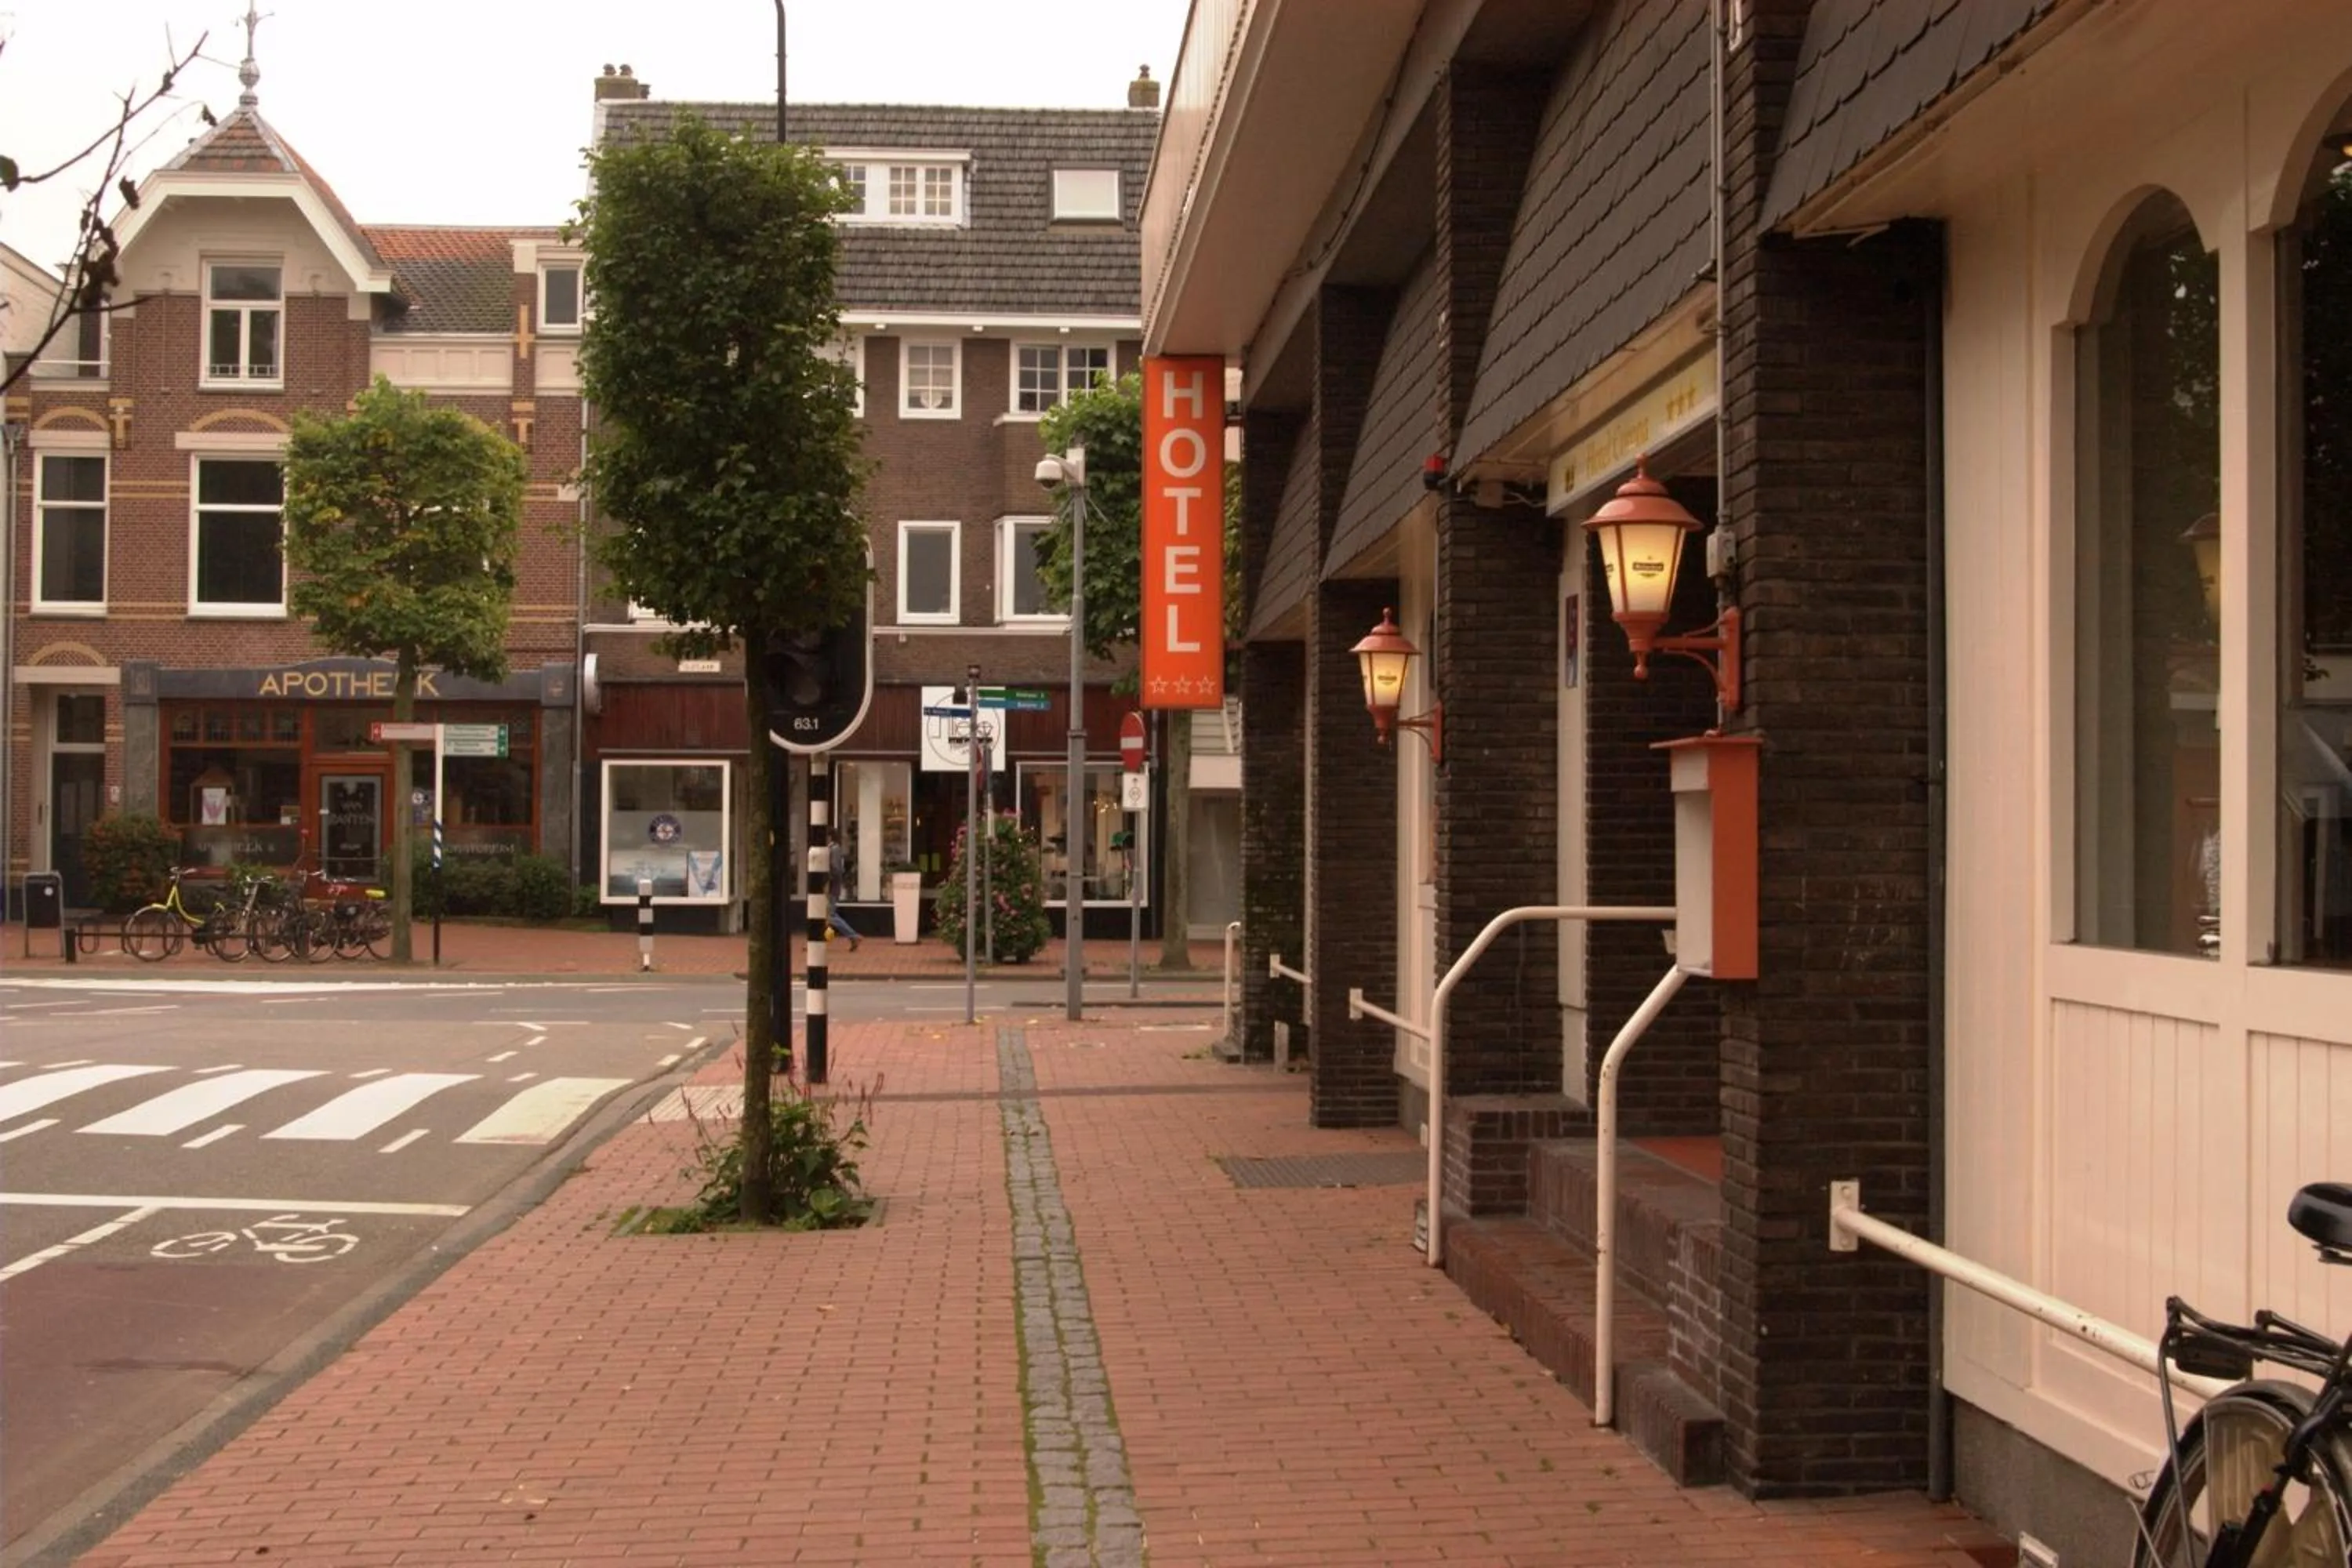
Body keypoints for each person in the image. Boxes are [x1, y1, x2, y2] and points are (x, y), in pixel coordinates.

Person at [826, 833, 860, 951]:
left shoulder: (834, 849)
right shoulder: (831, 849)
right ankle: (816, 942)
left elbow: (836, 870)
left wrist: (827, 878)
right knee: (823, 916)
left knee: (830, 915)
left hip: (831, 888)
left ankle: (853, 935)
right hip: (830, 888)